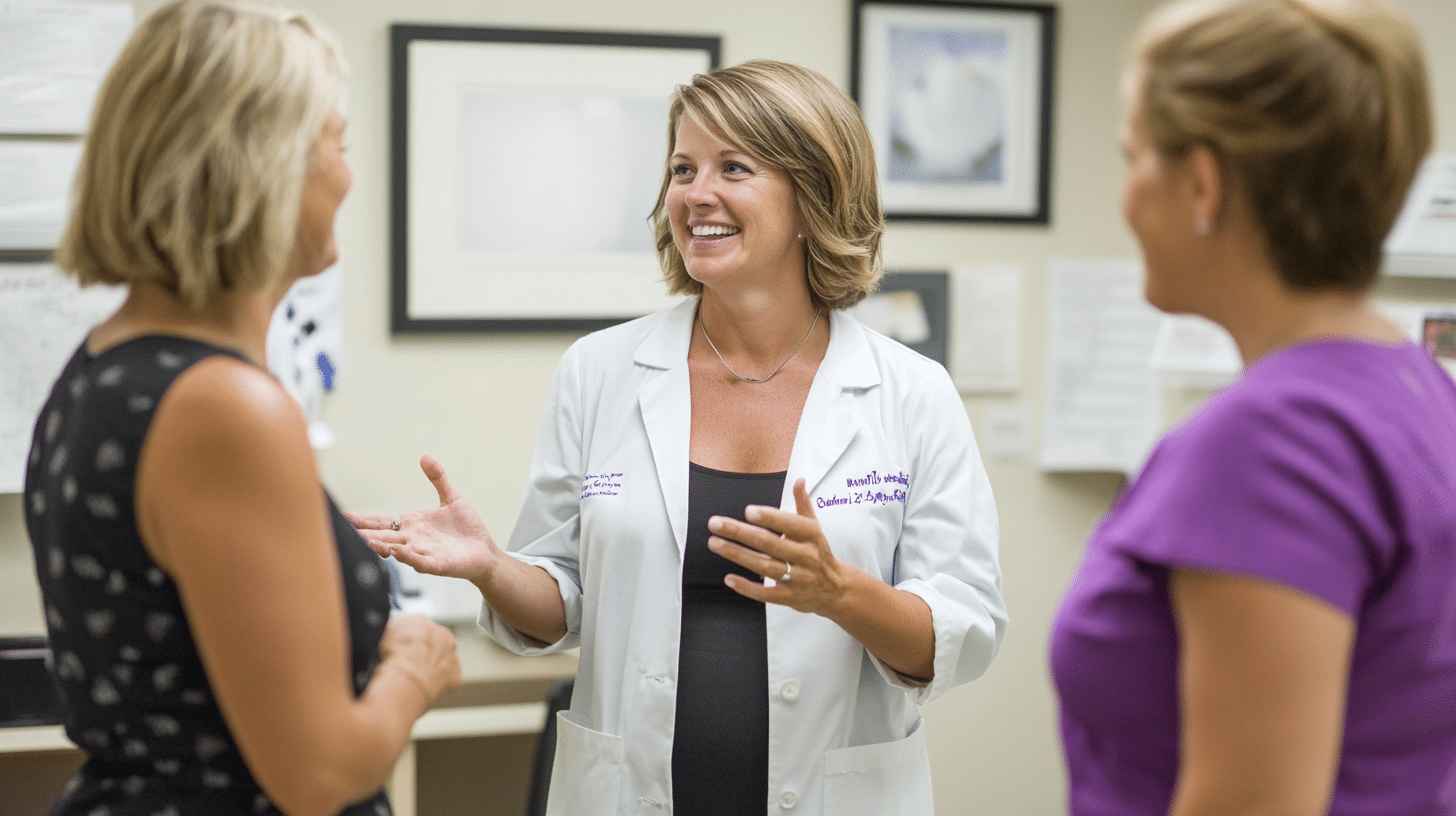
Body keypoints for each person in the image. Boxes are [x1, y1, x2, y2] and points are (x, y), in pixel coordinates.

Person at [351, 60, 1006, 816]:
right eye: (682, 169)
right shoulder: (600, 370)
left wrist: (841, 594)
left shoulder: (910, 392)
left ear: (812, 194)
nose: (696, 195)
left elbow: (964, 630)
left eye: (734, 167)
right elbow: (562, 600)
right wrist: (493, 568)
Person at [23, 3, 461, 815]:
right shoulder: (223, 409)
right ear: (263, 164)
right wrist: (414, 664)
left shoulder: (101, 370)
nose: (349, 175)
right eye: (338, 144)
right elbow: (319, 776)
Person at [1049, 1, 1456, 815]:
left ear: (1203, 181)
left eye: (1134, 159)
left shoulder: (1271, 441)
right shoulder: (1417, 388)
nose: (1125, 197)